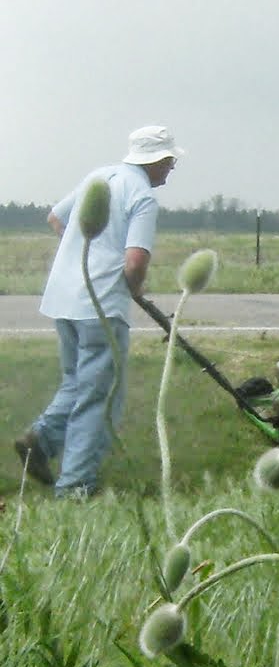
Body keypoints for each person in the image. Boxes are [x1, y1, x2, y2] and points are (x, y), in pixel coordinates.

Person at [14, 125, 182, 498]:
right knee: (99, 394)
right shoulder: (141, 197)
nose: (171, 168)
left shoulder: (99, 177)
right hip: (101, 305)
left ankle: (40, 441)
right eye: (170, 161)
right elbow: (135, 261)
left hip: (63, 298)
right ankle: (76, 485)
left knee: (77, 381)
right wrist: (134, 287)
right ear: (155, 161)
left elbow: (57, 219)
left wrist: (86, 252)